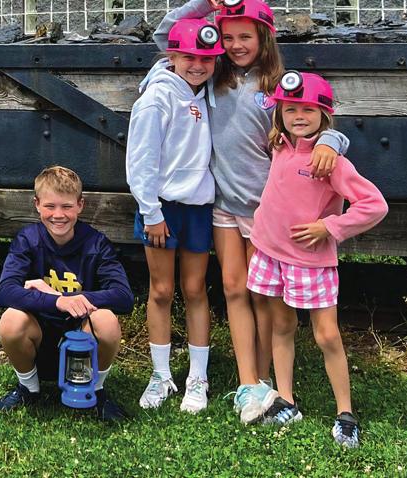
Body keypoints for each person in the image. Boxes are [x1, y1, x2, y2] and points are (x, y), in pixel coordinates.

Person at [153, 0, 350, 424]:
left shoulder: (277, 84)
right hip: (224, 203)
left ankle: (266, 379)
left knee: (264, 296)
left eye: (246, 36)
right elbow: (165, 36)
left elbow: (315, 123)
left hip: (266, 211)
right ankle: (247, 384)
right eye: (228, 37)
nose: (236, 45)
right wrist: (204, 4)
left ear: (264, 37)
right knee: (233, 288)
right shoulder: (212, 75)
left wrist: (332, 142)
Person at [247, 71, 388, 447]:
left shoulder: (331, 161)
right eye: (290, 109)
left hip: (309, 262)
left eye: (308, 110)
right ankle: (286, 400)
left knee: (327, 335)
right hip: (270, 253)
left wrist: (331, 227)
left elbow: (374, 205)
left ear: (323, 115)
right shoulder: (280, 144)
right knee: (282, 326)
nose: (299, 116)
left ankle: (345, 413)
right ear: (280, 114)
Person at [126, 18, 225, 414]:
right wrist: (151, 211)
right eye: (188, 57)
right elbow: (140, 161)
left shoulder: (208, 92)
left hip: (198, 207)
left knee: (196, 289)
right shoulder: (156, 97)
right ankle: (161, 374)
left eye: (206, 59)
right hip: (161, 209)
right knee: (161, 291)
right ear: (172, 55)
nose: (197, 65)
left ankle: (197, 378)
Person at [0, 166, 134, 421]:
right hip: (38, 340)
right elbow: (4, 291)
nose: (58, 215)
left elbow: (124, 296)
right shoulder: (27, 240)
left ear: (80, 205)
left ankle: (96, 391)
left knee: (107, 320)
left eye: (67, 206)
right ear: (37, 205)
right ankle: (28, 388)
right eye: (50, 206)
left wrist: (72, 299)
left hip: (81, 341)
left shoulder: (96, 243)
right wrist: (58, 301)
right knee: (11, 319)